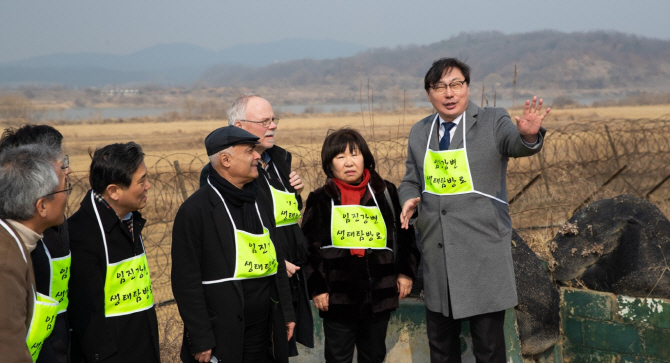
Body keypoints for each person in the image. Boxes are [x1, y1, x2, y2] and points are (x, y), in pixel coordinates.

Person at [398, 58, 550, 363]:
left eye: (456, 85)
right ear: (429, 94)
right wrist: (409, 198)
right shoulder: (421, 131)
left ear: (468, 88)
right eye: (440, 87)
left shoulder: (493, 120)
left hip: (482, 255)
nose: (449, 93)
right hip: (439, 256)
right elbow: (411, 178)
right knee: (441, 348)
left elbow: (516, 144)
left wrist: (530, 136)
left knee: (489, 348)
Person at [199, 93, 313, 355]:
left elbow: (280, 216)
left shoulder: (278, 162)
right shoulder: (221, 173)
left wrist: (295, 193)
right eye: (264, 121)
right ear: (239, 126)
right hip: (256, 282)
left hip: (289, 280)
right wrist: (272, 261)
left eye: (274, 120)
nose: (272, 126)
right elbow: (227, 230)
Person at [172, 126, 296, 363]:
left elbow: (275, 257)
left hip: (265, 331)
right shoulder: (196, 210)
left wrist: (287, 313)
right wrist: (200, 338)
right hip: (223, 337)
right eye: (250, 151)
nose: (258, 156)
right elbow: (185, 282)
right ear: (226, 160)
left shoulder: (259, 200)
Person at [302, 128, 420, 363]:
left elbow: (406, 236)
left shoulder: (386, 193)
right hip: (337, 297)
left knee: (374, 355)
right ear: (330, 164)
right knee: (338, 357)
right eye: (340, 157)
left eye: (354, 154)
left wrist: (406, 273)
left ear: (365, 157)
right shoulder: (321, 199)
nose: (349, 162)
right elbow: (309, 249)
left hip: (379, 293)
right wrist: (318, 288)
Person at [67, 142, 160, 363]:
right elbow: (87, 318)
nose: (148, 186)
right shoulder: (81, 234)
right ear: (114, 191)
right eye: (141, 181)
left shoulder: (129, 220)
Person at [1, 125, 72, 363]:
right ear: (41, 206)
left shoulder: (19, 243)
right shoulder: (6, 262)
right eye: (64, 187)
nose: (67, 194)